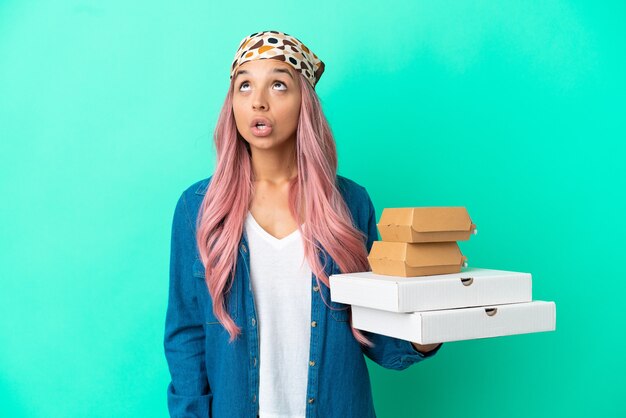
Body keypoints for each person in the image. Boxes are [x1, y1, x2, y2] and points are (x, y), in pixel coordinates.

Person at [164, 30, 443, 418]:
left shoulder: (350, 202)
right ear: (231, 103)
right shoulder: (198, 208)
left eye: (278, 84)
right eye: (244, 86)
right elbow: (187, 336)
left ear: (304, 103)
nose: (258, 102)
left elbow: (374, 329)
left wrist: (430, 329)